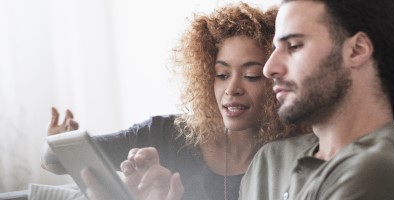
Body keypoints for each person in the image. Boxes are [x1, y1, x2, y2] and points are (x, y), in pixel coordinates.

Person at [41, 3, 307, 200]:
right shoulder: (164, 133)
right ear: (205, 78)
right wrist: (57, 144)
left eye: (251, 76)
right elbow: (58, 162)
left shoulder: (292, 157)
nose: (232, 89)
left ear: (276, 78)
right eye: (221, 75)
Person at [239, 0, 394, 199]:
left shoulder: (375, 171)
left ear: (357, 50)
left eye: (293, 46)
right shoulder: (274, 161)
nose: (269, 68)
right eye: (275, 48)